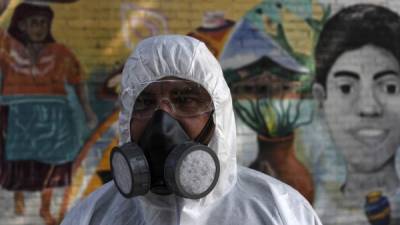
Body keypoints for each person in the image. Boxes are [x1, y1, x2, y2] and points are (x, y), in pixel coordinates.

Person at [60, 35, 321, 225]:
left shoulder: (280, 210)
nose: (162, 122)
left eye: (186, 100)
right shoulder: (93, 216)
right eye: (144, 102)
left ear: (218, 116)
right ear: (127, 117)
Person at [0, 3, 97, 225]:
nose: (39, 28)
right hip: (18, 113)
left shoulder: (60, 52)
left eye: (44, 23)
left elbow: (78, 80)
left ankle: (45, 209)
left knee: (52, 163)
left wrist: (88, 111)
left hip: (54, 115)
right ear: (22, 26)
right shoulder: (8, 47)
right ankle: (18, 196)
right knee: (20, 162)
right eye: (34, 23)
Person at [312, 4, 400, 225]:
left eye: (389, 87)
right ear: (321, 98)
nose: (369, 108)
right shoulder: (302, 210)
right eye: (346, 88)